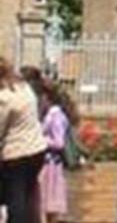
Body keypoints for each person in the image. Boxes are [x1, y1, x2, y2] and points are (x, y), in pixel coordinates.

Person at [0, 57, 46, 223]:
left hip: (16, 153)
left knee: (15, 198)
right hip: (37, 149)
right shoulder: (24, 88)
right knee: (28, 194)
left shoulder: (4, 98)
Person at [24, 69, 71, 222]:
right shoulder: (48, 115)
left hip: (52, 166)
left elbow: (59, 142)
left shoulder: (56, 116)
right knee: (43, 205)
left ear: (46, 97)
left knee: (46, 205)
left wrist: (41, 139)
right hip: (45, 164)